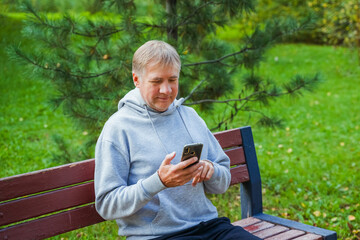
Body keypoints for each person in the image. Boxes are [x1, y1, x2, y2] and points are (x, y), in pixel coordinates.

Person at [94, 40, 261, 240]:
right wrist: (159, 181)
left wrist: (211, 170)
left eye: (172, 80)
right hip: (157, 236)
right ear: (136, 79)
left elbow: (222, 183)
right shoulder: (118, 128)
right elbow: (106, 205)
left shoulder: (190, 116)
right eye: (156, 82)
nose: (166, 90)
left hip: (210, 228)